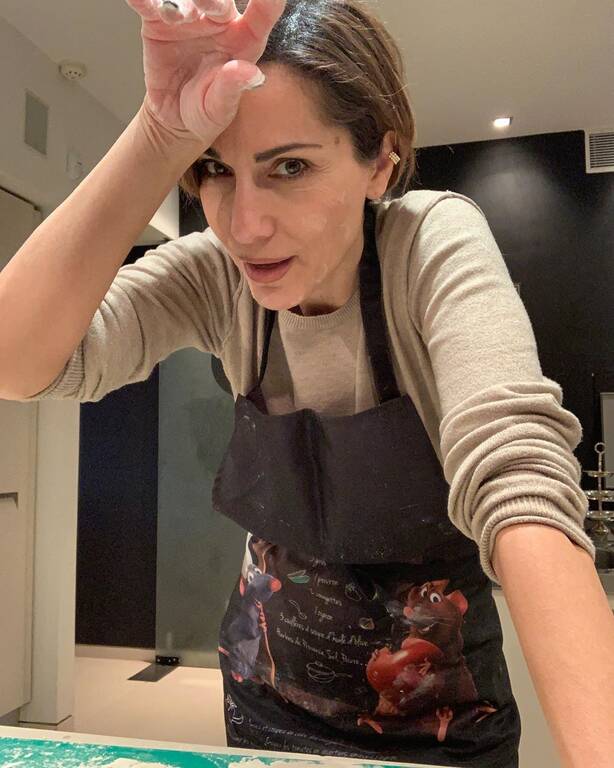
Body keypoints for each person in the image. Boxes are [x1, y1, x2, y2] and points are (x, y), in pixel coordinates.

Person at [1, 0, 613, 766]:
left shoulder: (427, 244)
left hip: (441, 728)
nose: (244, 225)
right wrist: (161, 132)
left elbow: (517, 475)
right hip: (265, 706)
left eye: (290, 167)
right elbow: (17, 363)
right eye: (216, 168)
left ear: (380, 162)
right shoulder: (216, 275)